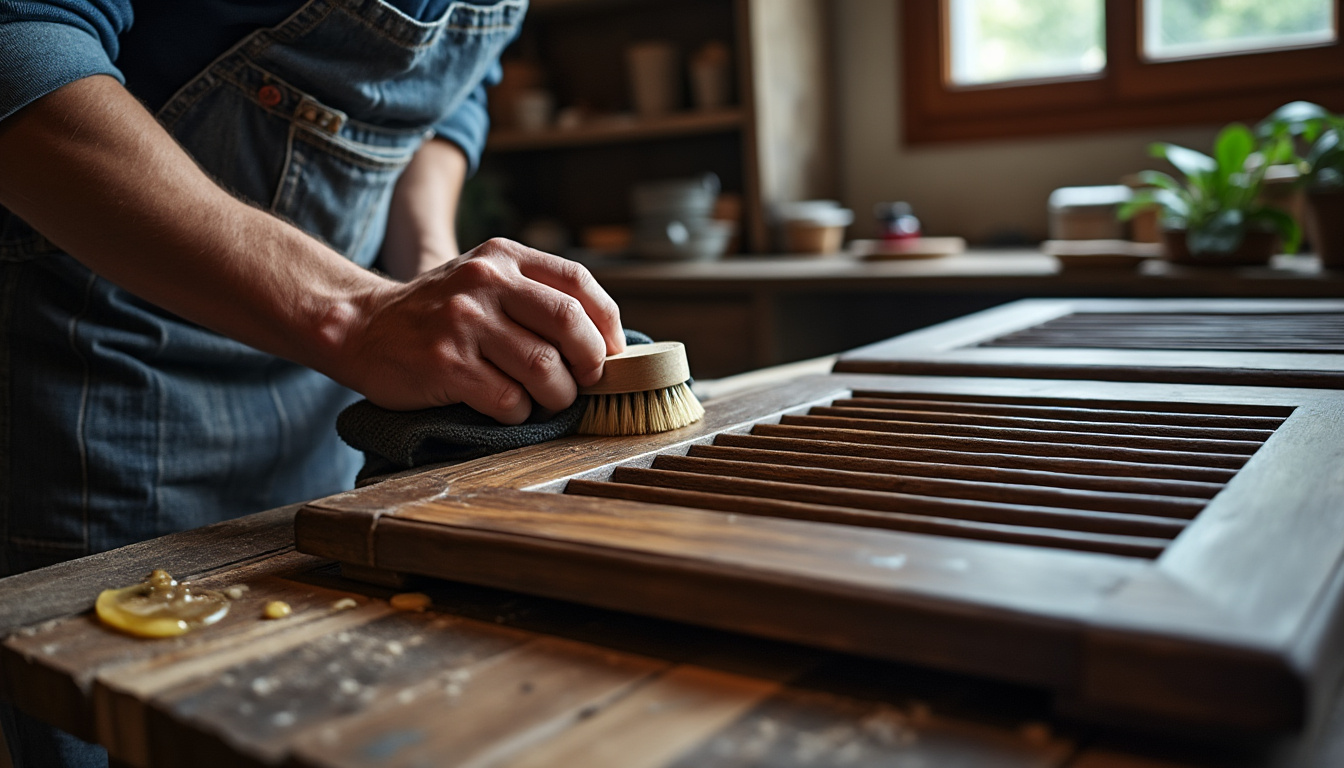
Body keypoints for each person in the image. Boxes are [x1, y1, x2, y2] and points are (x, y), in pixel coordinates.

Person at [0, 0, 624, 764]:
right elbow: (17, 40)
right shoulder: (342, 322)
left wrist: (422, 266)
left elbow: (449, 87)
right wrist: (352, 313)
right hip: (111, 380)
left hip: (339, 392)